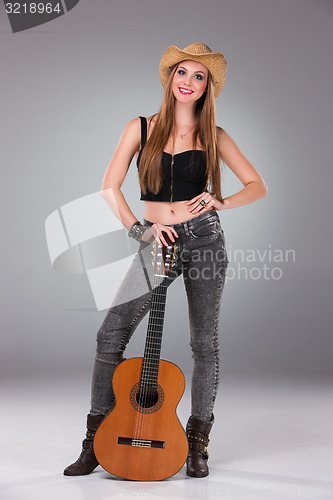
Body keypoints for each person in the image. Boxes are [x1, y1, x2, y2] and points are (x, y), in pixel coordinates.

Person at [63, 42, 268, 479]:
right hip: (157, 241)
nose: (189, 82)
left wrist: (222, 201)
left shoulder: (213, 134)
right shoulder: (141, 127)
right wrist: (140, 229)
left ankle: (197, 444)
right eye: (183, 73)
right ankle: (95, 440)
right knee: (111, 334)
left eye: (199, 76)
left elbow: (257, 185)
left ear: (207, 86)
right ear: (170, 78)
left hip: (205, 241)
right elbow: (109, 187)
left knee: (204, 344)